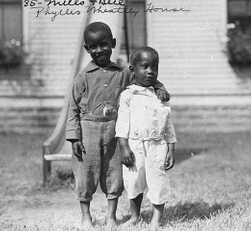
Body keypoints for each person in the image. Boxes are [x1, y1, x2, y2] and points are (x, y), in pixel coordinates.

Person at [66, 22, 170, 230]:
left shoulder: (124, 72)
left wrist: (159, 87)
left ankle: (111, 216)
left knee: (114, 173)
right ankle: (86, 216)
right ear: (87, 49)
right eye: (93, 47)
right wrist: (75, 137)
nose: (99, 51)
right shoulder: (82, 77)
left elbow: (145, 78)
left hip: (116, 131)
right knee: (85, 173)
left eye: (103, 45)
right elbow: (73, 108)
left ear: (113, 43)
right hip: (88, 130)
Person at [116, 46, 177, 231]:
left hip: (157, 145)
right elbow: (122, 124)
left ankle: (156, 220)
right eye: (145, 66)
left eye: (154, 67)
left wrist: (171, 148)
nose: (150, 71)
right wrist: (124, 146)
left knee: (157, 180)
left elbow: (168, 124)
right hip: (134, 146)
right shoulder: (127, 95)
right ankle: (135, 216)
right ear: (133, 69)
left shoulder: (160, 96)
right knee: (134, 181)